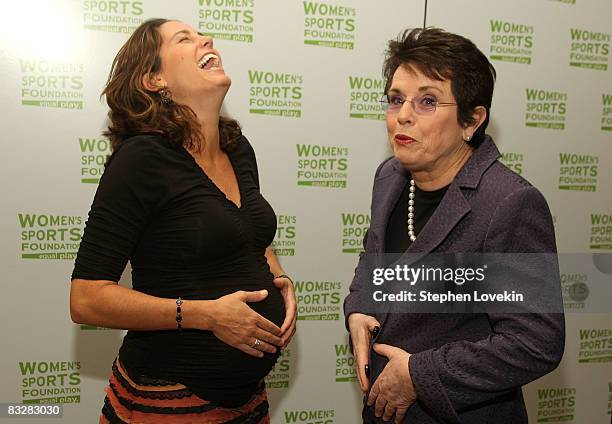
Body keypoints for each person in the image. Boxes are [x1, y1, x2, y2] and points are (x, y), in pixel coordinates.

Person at [70, 18, 297, 423]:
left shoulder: (238, 148)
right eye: (184, 39)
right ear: (154, 78)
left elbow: (247, 231)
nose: (205, 39)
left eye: (201, 34)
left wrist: (279, 278)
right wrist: (205, 314)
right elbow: (86, 299)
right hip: (168, 402)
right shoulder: (141, 160)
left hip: (247, 401)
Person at [344, 28, 565, 423]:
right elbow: (374, 255)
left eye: (427, 101)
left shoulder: (509, 203)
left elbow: (536, 343)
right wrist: (359, 306)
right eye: (396, 100)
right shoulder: (390, 177)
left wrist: (418, 374)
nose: (404, 115)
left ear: (472, 120)